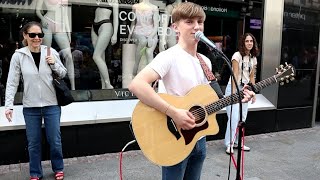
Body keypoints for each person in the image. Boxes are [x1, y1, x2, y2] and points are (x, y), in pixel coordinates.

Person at [128, 2, 256, 179]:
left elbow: (209, 102)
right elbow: (137, 85)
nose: (196, 26)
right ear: (175, 27)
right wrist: (173, 113)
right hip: (174, 137)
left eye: (200, 21)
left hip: (199, 138)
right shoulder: (169, 56)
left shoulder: (205, 61)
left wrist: (239, 97)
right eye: (189, 22)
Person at [4, 21, 66, 180]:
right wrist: (8, 106)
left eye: (40, 35)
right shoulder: (18, 55)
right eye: (32, 35)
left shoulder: (50, 52)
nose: (37, 38)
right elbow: (12, 82)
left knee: (55, 141)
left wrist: (54, 64)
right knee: (33, 144)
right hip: (30, 107)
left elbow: (63, 73)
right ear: (25, 35)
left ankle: (58, 168)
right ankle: (35, 173)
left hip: (52, 104)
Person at [224, 33, 259, 154]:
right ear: (243, 43)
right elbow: (234, 75)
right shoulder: (237, 56)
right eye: (247, 41)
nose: (249, 43)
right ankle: (229, 144)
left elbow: (252, 77)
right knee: (233, 118)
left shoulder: (253, 58)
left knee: (242, 118)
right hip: (233, 88)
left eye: (251, 41)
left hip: (245, 89)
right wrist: (234, 94)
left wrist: (253, 93)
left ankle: (239, 143)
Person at [36, 0, 75, 90]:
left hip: (60, 24)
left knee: (68, 55)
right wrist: (42, 19)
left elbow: (65, 15)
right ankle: (45, 84)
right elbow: (37, 11)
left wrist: (68, 32)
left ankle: (73, 87)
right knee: (46, 54)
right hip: (47, 22)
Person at [126, 0, 159, 76]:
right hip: (138, 32)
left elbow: (156, 25)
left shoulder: (154, 8)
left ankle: (151, 79)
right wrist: (128, 38)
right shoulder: (135, 7)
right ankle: (136, 64)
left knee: (149, 52)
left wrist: (151, 36)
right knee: (143, 41)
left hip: (151, 32)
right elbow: (133, 23)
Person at [91, 0, 119, 89]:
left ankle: (108, 83)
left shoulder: (114, 1)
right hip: (94, 26)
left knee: (96, 56)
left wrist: (115, 34)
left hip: (105, 25)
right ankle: (103, 86)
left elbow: (116, 19)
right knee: (100, 59)